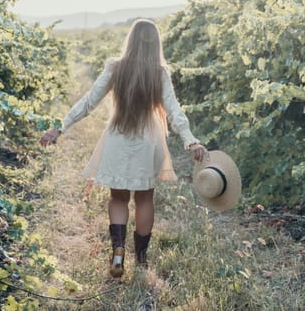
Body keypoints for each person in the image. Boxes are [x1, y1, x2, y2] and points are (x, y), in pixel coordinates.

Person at [40, 19, 207, 278]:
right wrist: (190, 139)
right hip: (147, 141)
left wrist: (60, 127)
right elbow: (173, 110)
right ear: (156, 43)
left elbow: (89, 101)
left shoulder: (115, 67)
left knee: (118, 198)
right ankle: (141, 259)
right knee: (144, 199)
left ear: (129, 39)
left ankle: (118, 250)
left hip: (118, 138)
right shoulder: (159, 72)